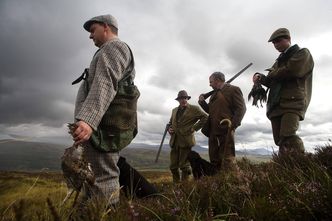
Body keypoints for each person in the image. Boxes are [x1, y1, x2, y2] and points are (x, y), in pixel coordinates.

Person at [72, 14, 139, 205]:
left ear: (106, 27)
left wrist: (88, 120)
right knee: (94, 176)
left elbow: (105, 82)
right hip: (100, 125)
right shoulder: (107, 50)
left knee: (103, 178)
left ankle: (106, 214)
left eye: (93, 30)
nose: (90, 36)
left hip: (103, 127)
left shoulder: (114, 47)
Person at [252, 28, 314, 155]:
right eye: (274, 43)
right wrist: (261, 79)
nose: (276, 44)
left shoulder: (302, 53)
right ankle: (285, 166)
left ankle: (301, 164)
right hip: (276, 105)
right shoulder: (278, 61)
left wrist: (272, 74)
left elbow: (292, 70)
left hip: (293, 102)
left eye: (278, 41)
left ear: (289, 39)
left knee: (288, 135)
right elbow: (272, 81)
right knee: (279, 139)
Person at [199, 72, 246, 171]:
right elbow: (211, 111)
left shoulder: (233, 90)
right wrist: (202, 102)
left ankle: (232, 181)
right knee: (214, 160)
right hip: (213, 131)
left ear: (217, 80)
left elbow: (241, 109)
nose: (210, 84)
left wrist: (232, 126)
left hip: (225, 130)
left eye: (211, 82)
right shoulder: (213, 95)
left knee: (227, 159)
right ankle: (217, 182)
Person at [168, 90, 208, 182]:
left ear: (187, 99)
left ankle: (184, 186)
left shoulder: (195, 109)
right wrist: (170, 128)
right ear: (178, 100)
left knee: (184, 166)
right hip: (174, 141)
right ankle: (177, 186)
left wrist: (194, 128)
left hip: (186, 141)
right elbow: (170, 123)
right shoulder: (174, 110)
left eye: (185, 98)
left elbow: (205, 117)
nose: (184, 100)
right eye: (182, 98)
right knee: (173, 167)